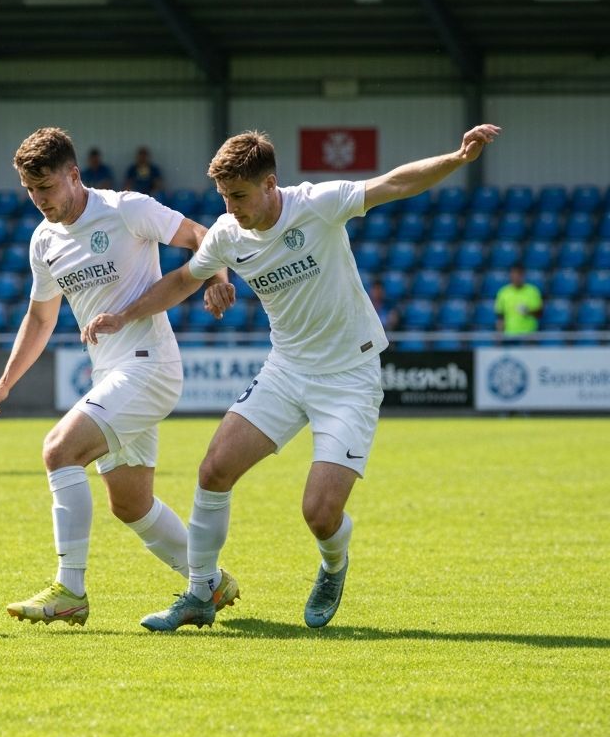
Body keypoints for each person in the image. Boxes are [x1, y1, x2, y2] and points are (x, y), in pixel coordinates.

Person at [82, 123, 502, 632]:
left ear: (269, 184)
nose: (231, 207)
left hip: (349, 376)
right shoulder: (227, 233)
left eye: (239, 195)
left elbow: (393, 183)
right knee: (214, 470)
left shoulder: (317, 204)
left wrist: (456, 158)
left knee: (320, 514)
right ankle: (199, 592)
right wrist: (124, 316)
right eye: (224, 196)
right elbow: (183, 279)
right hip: (285, 370)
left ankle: (333, 564)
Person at [0, 126, 236, 627]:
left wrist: (217, 279)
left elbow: (201, 236)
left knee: (59, 450)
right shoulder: (44, 240)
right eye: (29, 190)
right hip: (110, 374)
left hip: (149, 364)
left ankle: (69, 590)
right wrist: (5, 383)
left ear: (74, 174)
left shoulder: (125, 209)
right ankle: (209, 581)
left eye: (46, 187)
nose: (39, 200)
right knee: (131, 504)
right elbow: (41, 318)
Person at [494, 264, 543, 338]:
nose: (516, 277)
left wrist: (528, 312)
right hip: (509, 336)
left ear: (523, 275)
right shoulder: (503, 292)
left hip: (529, 335)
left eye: (518, 274)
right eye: (513, 274)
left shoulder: (533, 291)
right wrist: (499, 336)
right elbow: (500, 316)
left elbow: (539, 314)